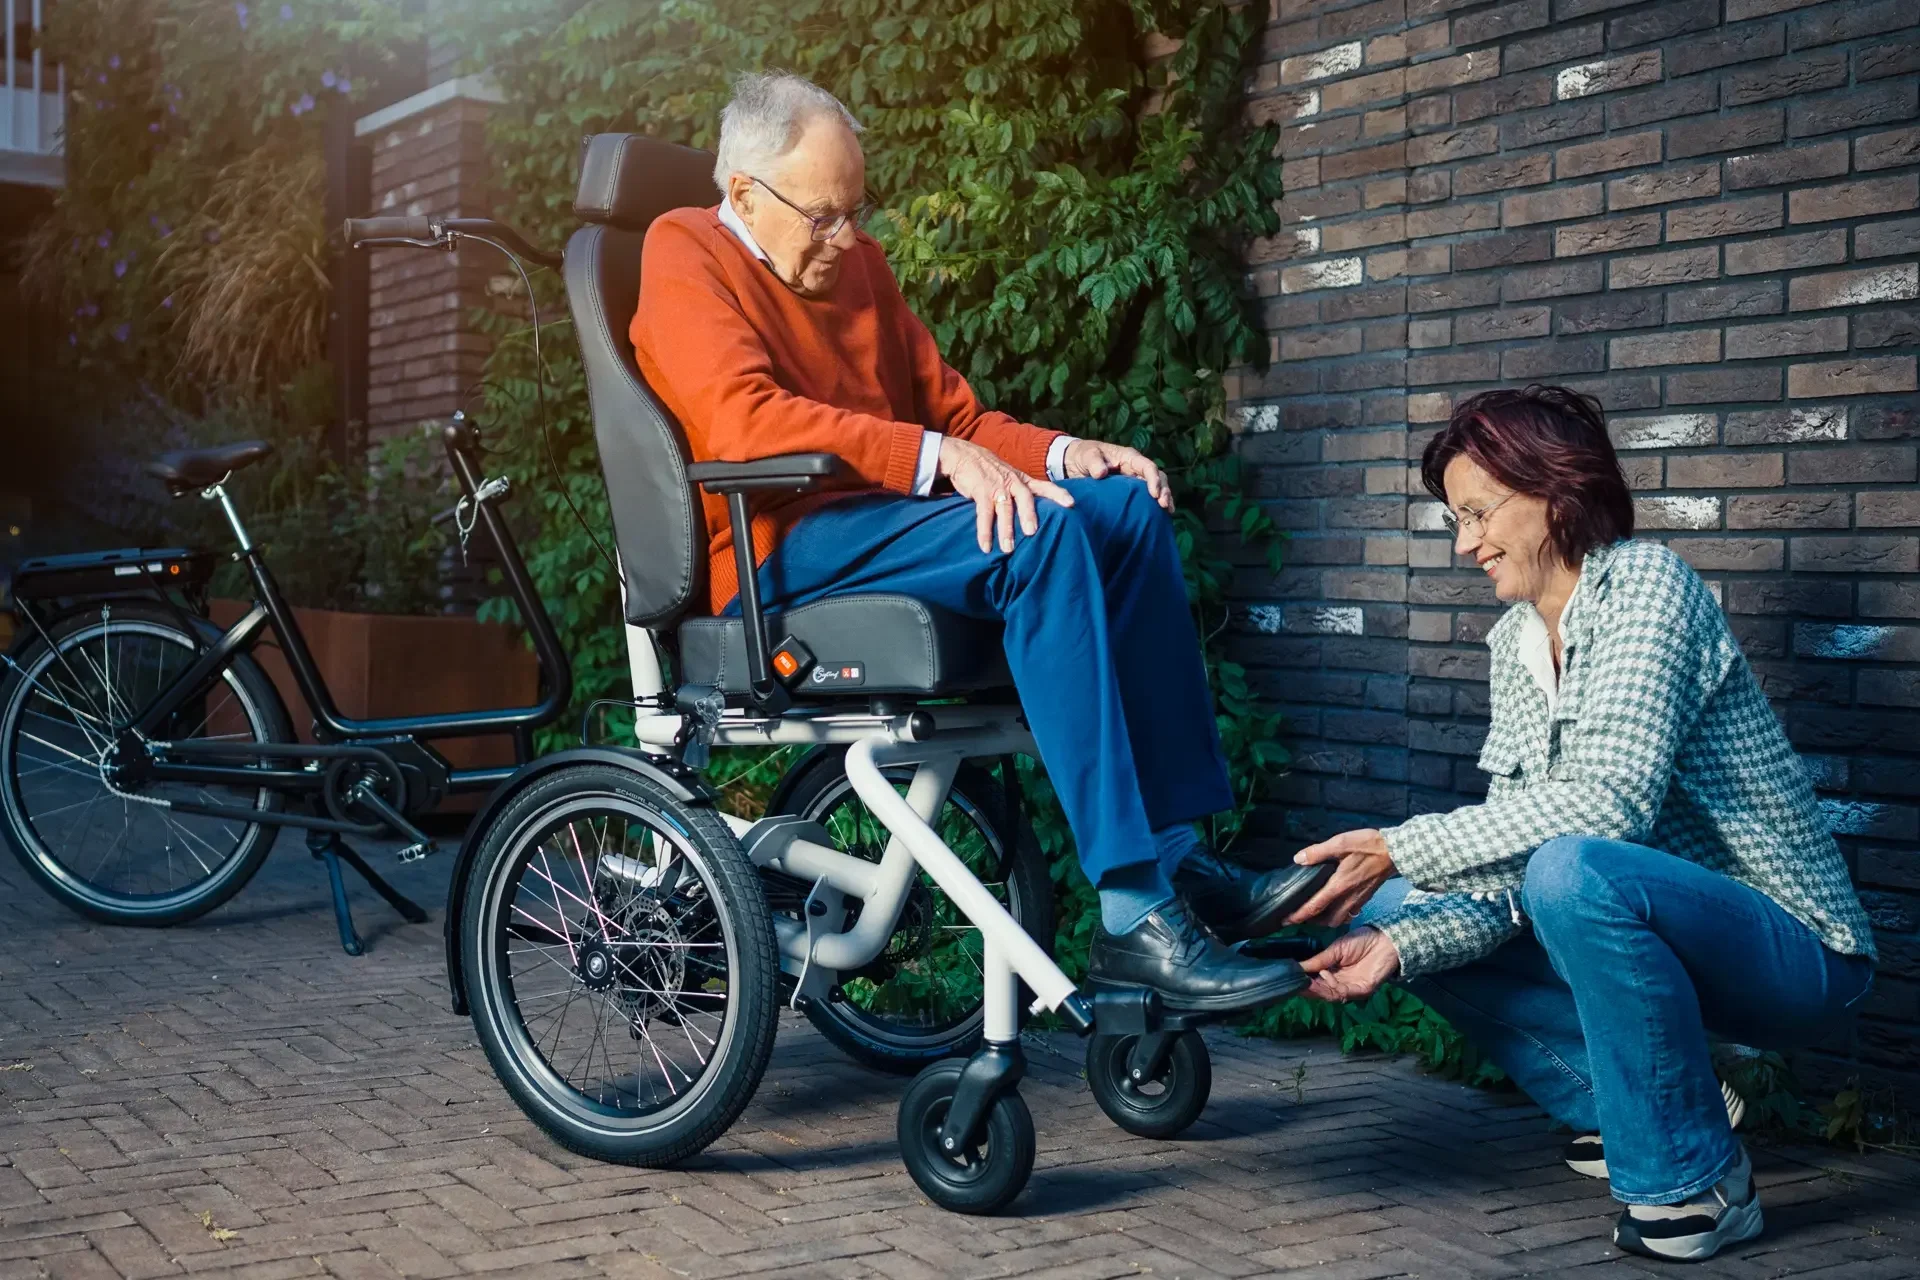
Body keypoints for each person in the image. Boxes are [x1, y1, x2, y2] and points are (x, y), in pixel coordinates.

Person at [629, 71, 1321, 1012]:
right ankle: (1131, 915)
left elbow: (956, 417)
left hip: (886, 523)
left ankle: (1175, 861)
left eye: (855, 212)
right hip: (775, 545)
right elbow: (744, 422)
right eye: (824, 217)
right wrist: (934, 458)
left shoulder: (859, 266)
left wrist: (1070, 454)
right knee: (1036, 535)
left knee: (1124, 512)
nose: (846, 237)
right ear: (746, 194)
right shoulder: (684, 249)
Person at [1286, 385, 1877, 1262]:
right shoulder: (1516, 644)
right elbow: (1505, 860)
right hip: (1646, 922)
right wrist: (1401, 947)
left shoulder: (1645, 584)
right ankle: (1661, 1109)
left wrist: (1399, 845)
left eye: (1479, 513)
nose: (1465, 544)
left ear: (1556, 491)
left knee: (1568, 871)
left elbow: (1608, 803)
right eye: (1456, 520)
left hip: (1796, 951)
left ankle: (1696, 1184)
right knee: (1391, 908)